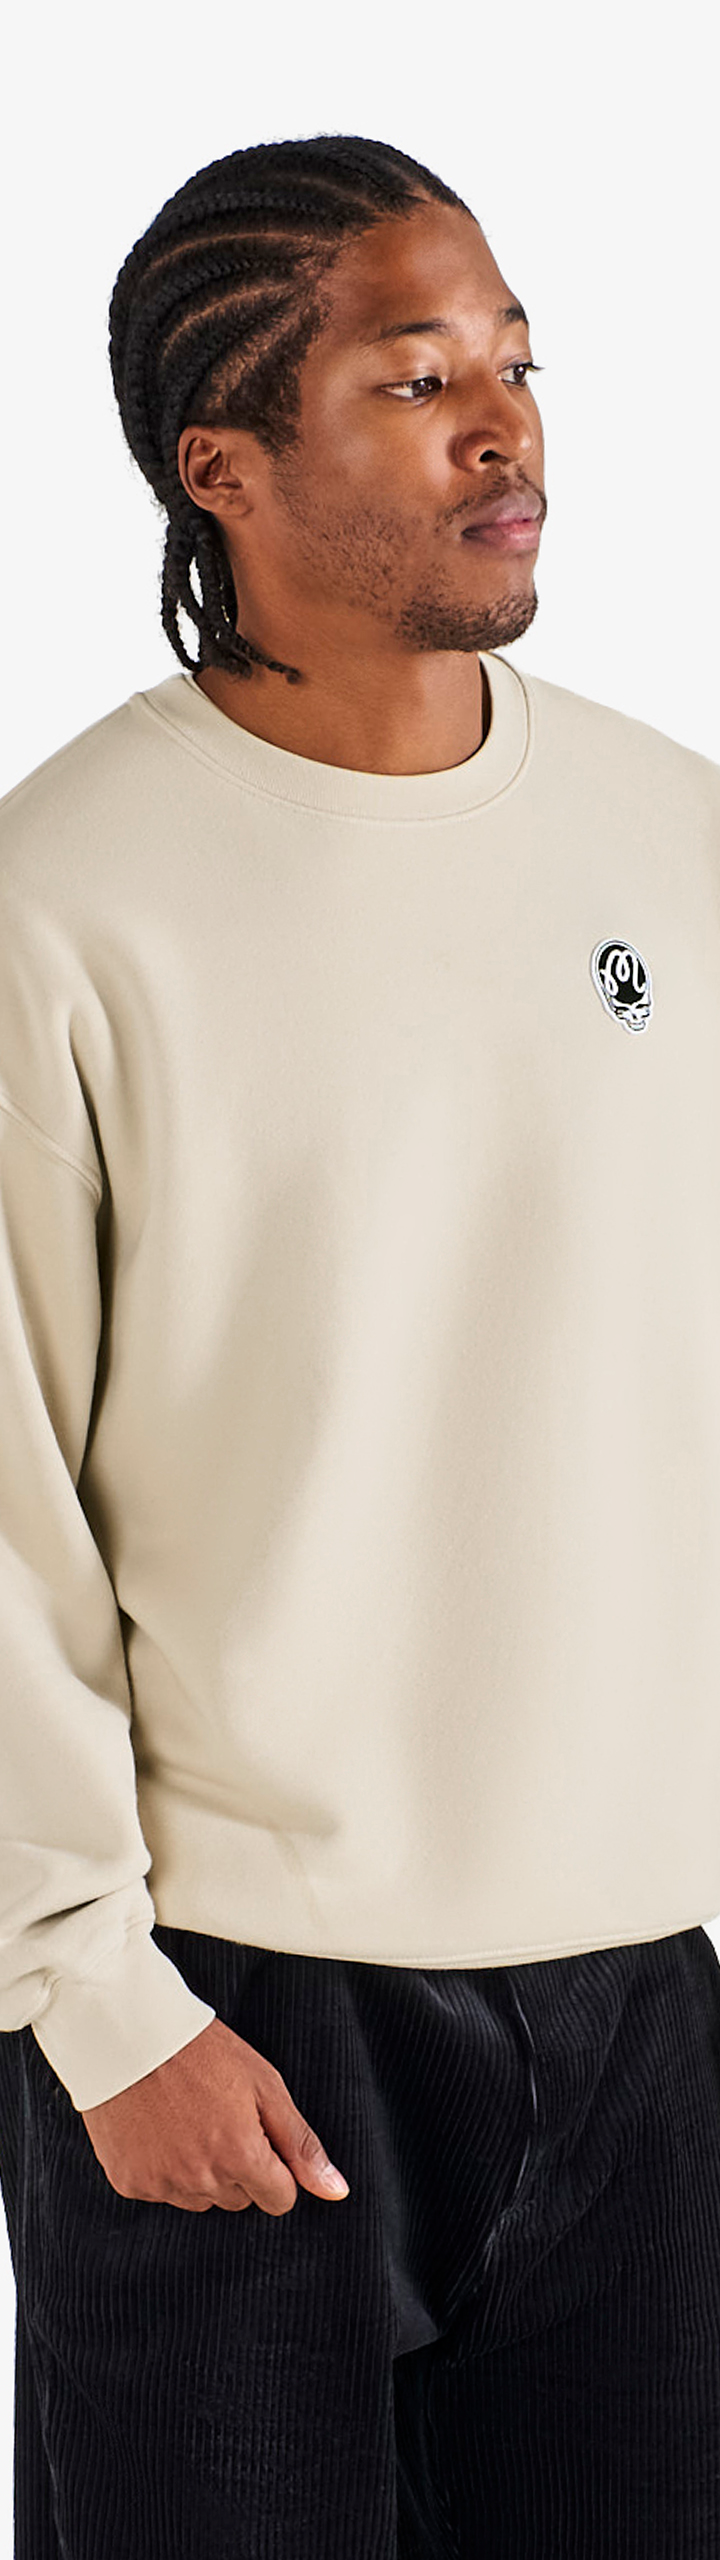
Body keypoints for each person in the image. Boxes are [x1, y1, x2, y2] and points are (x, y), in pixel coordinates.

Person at [1, 128, 720, 2560]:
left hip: (649, 1998)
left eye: (517, 361)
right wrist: (98, 2002)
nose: (507, 424)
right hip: (231, 2006)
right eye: (419, 379)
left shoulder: (676, 839)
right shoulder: (59, 900)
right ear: (222, 463)